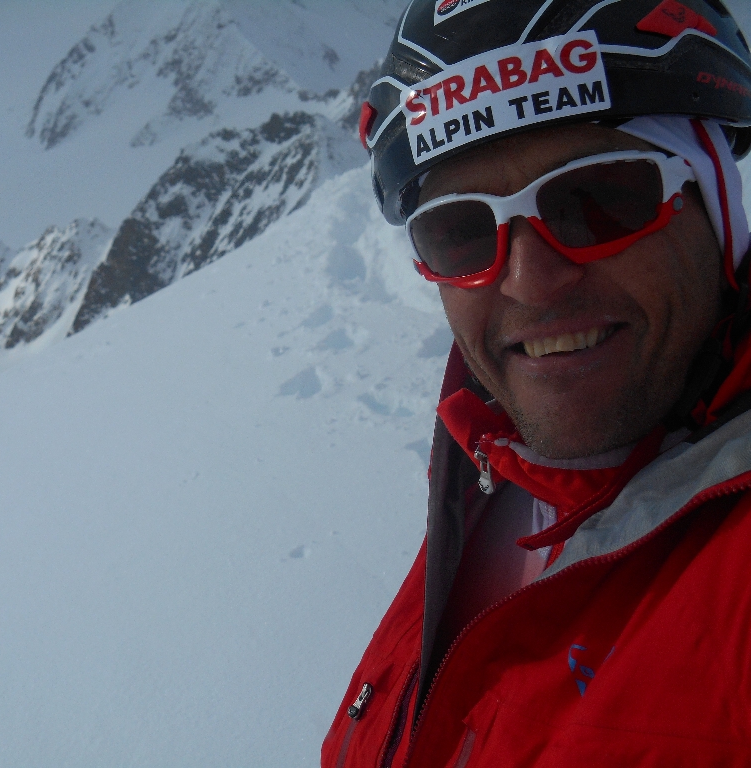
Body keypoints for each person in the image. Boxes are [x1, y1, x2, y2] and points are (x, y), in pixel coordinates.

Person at [322, 1, 751, 765]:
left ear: (715, 203)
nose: (529, 282)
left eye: (598, 200)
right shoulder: (485, 468)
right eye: (461, 231)